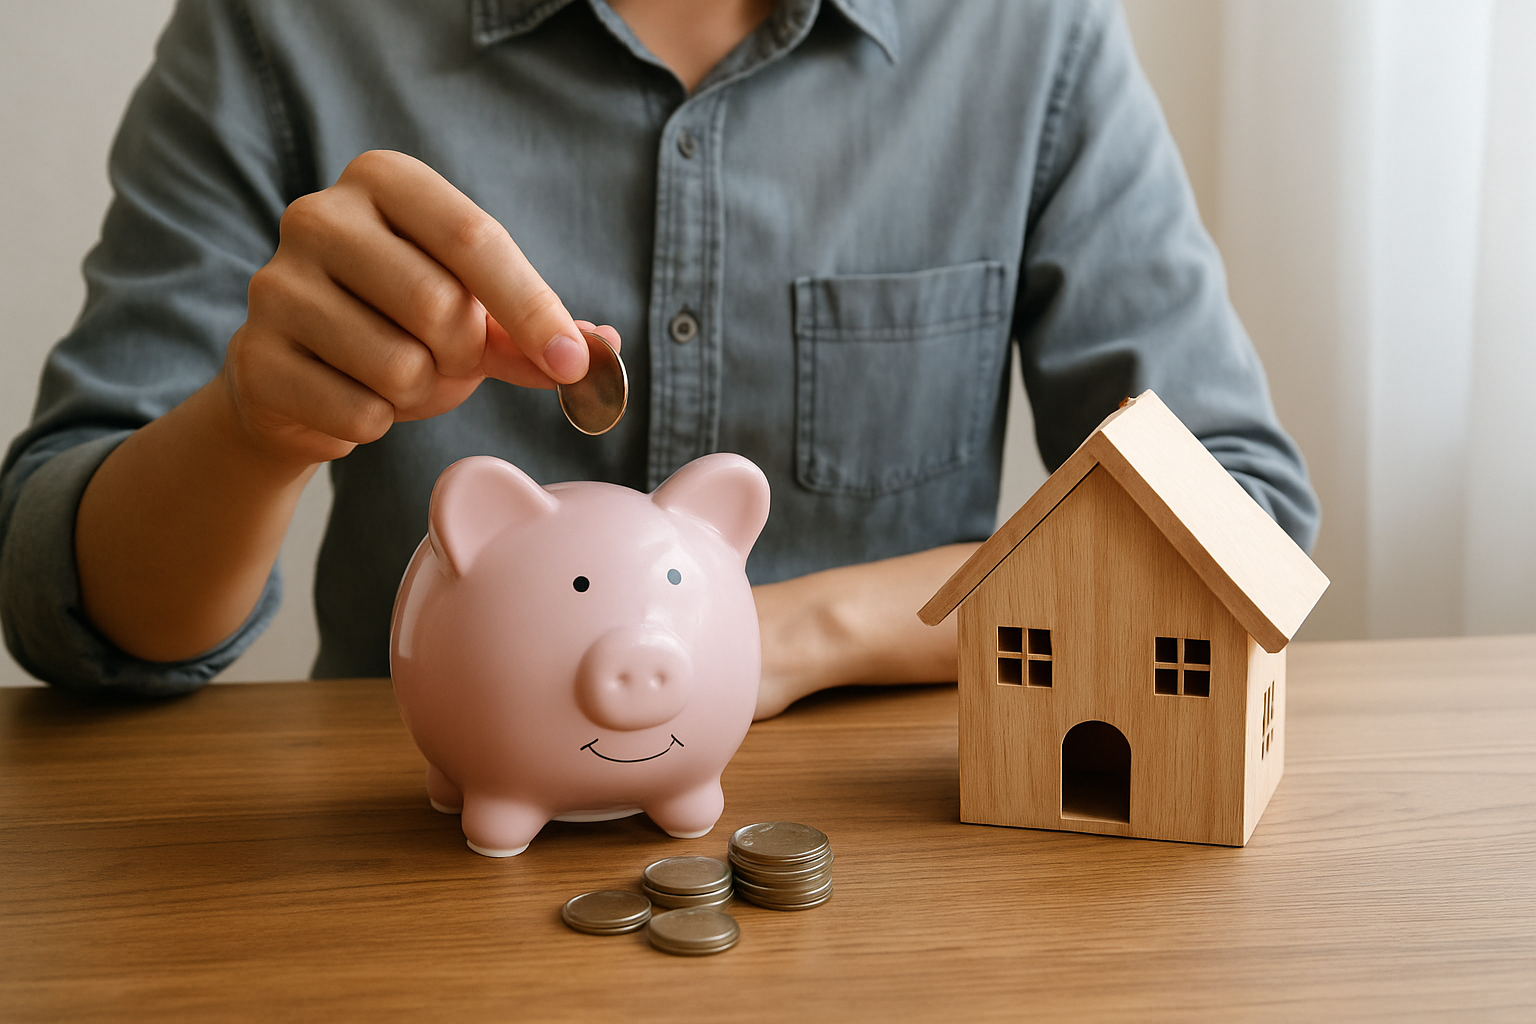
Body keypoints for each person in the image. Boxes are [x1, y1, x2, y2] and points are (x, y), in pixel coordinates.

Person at [0, 0, 1319, 717]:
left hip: (892, 869)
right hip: (412, 850)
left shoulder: (1031, 33)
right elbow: (73, 612)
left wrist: (783, 633)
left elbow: (1235, 529)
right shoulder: (281, 28)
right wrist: (256, 431)